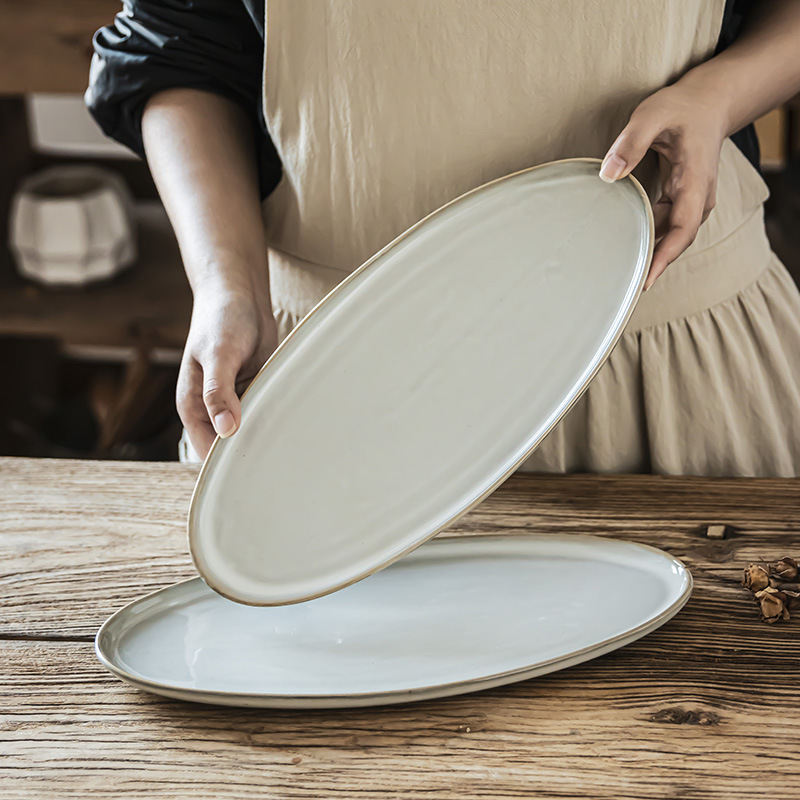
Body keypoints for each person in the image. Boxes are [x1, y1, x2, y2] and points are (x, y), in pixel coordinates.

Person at [87, 1, 800, 476]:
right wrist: (227, 285)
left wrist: (721, 92)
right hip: (331, 363)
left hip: (668, 359)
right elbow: (177, 50)